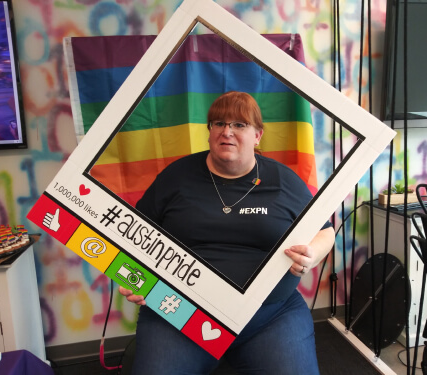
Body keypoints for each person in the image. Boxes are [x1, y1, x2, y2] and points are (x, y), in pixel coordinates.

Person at [119, 91, 335, 374]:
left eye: (239, 125)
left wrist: (311, 255)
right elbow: (130, 234)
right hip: (180, 313)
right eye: (218, 123)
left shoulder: (283, 181)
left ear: (258, 135)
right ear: (209, 132)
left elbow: (326, 231)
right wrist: (133, 275)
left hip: (270, 315)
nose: (227, 132)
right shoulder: (176, 177)